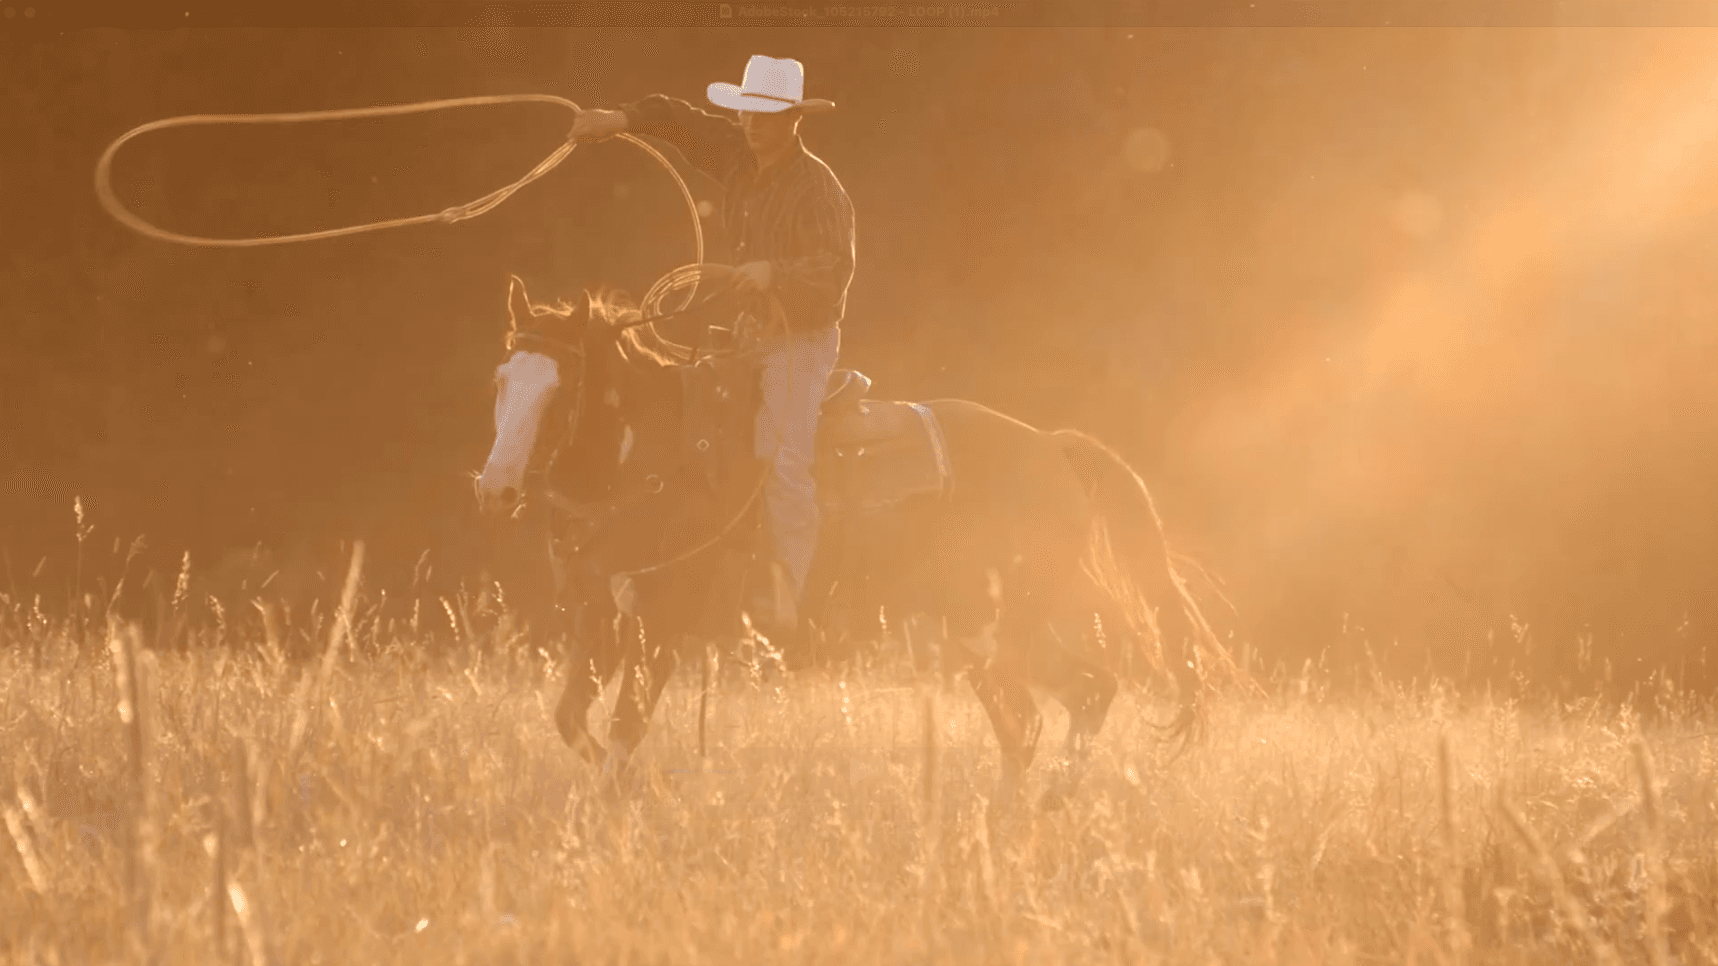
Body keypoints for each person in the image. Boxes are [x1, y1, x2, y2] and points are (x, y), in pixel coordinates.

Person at [568, 54, 856, 633]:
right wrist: (620, 119)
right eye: (747, 112)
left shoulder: (818, 188)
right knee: (690, 441)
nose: (752, 124)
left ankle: (789, 600)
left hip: (801, 343)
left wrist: (774, 273)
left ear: (794, 119)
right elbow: (680, 121)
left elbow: (834, 270)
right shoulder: (739, 155)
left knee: (782, 460)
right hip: (748, 337)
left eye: (765, 115)